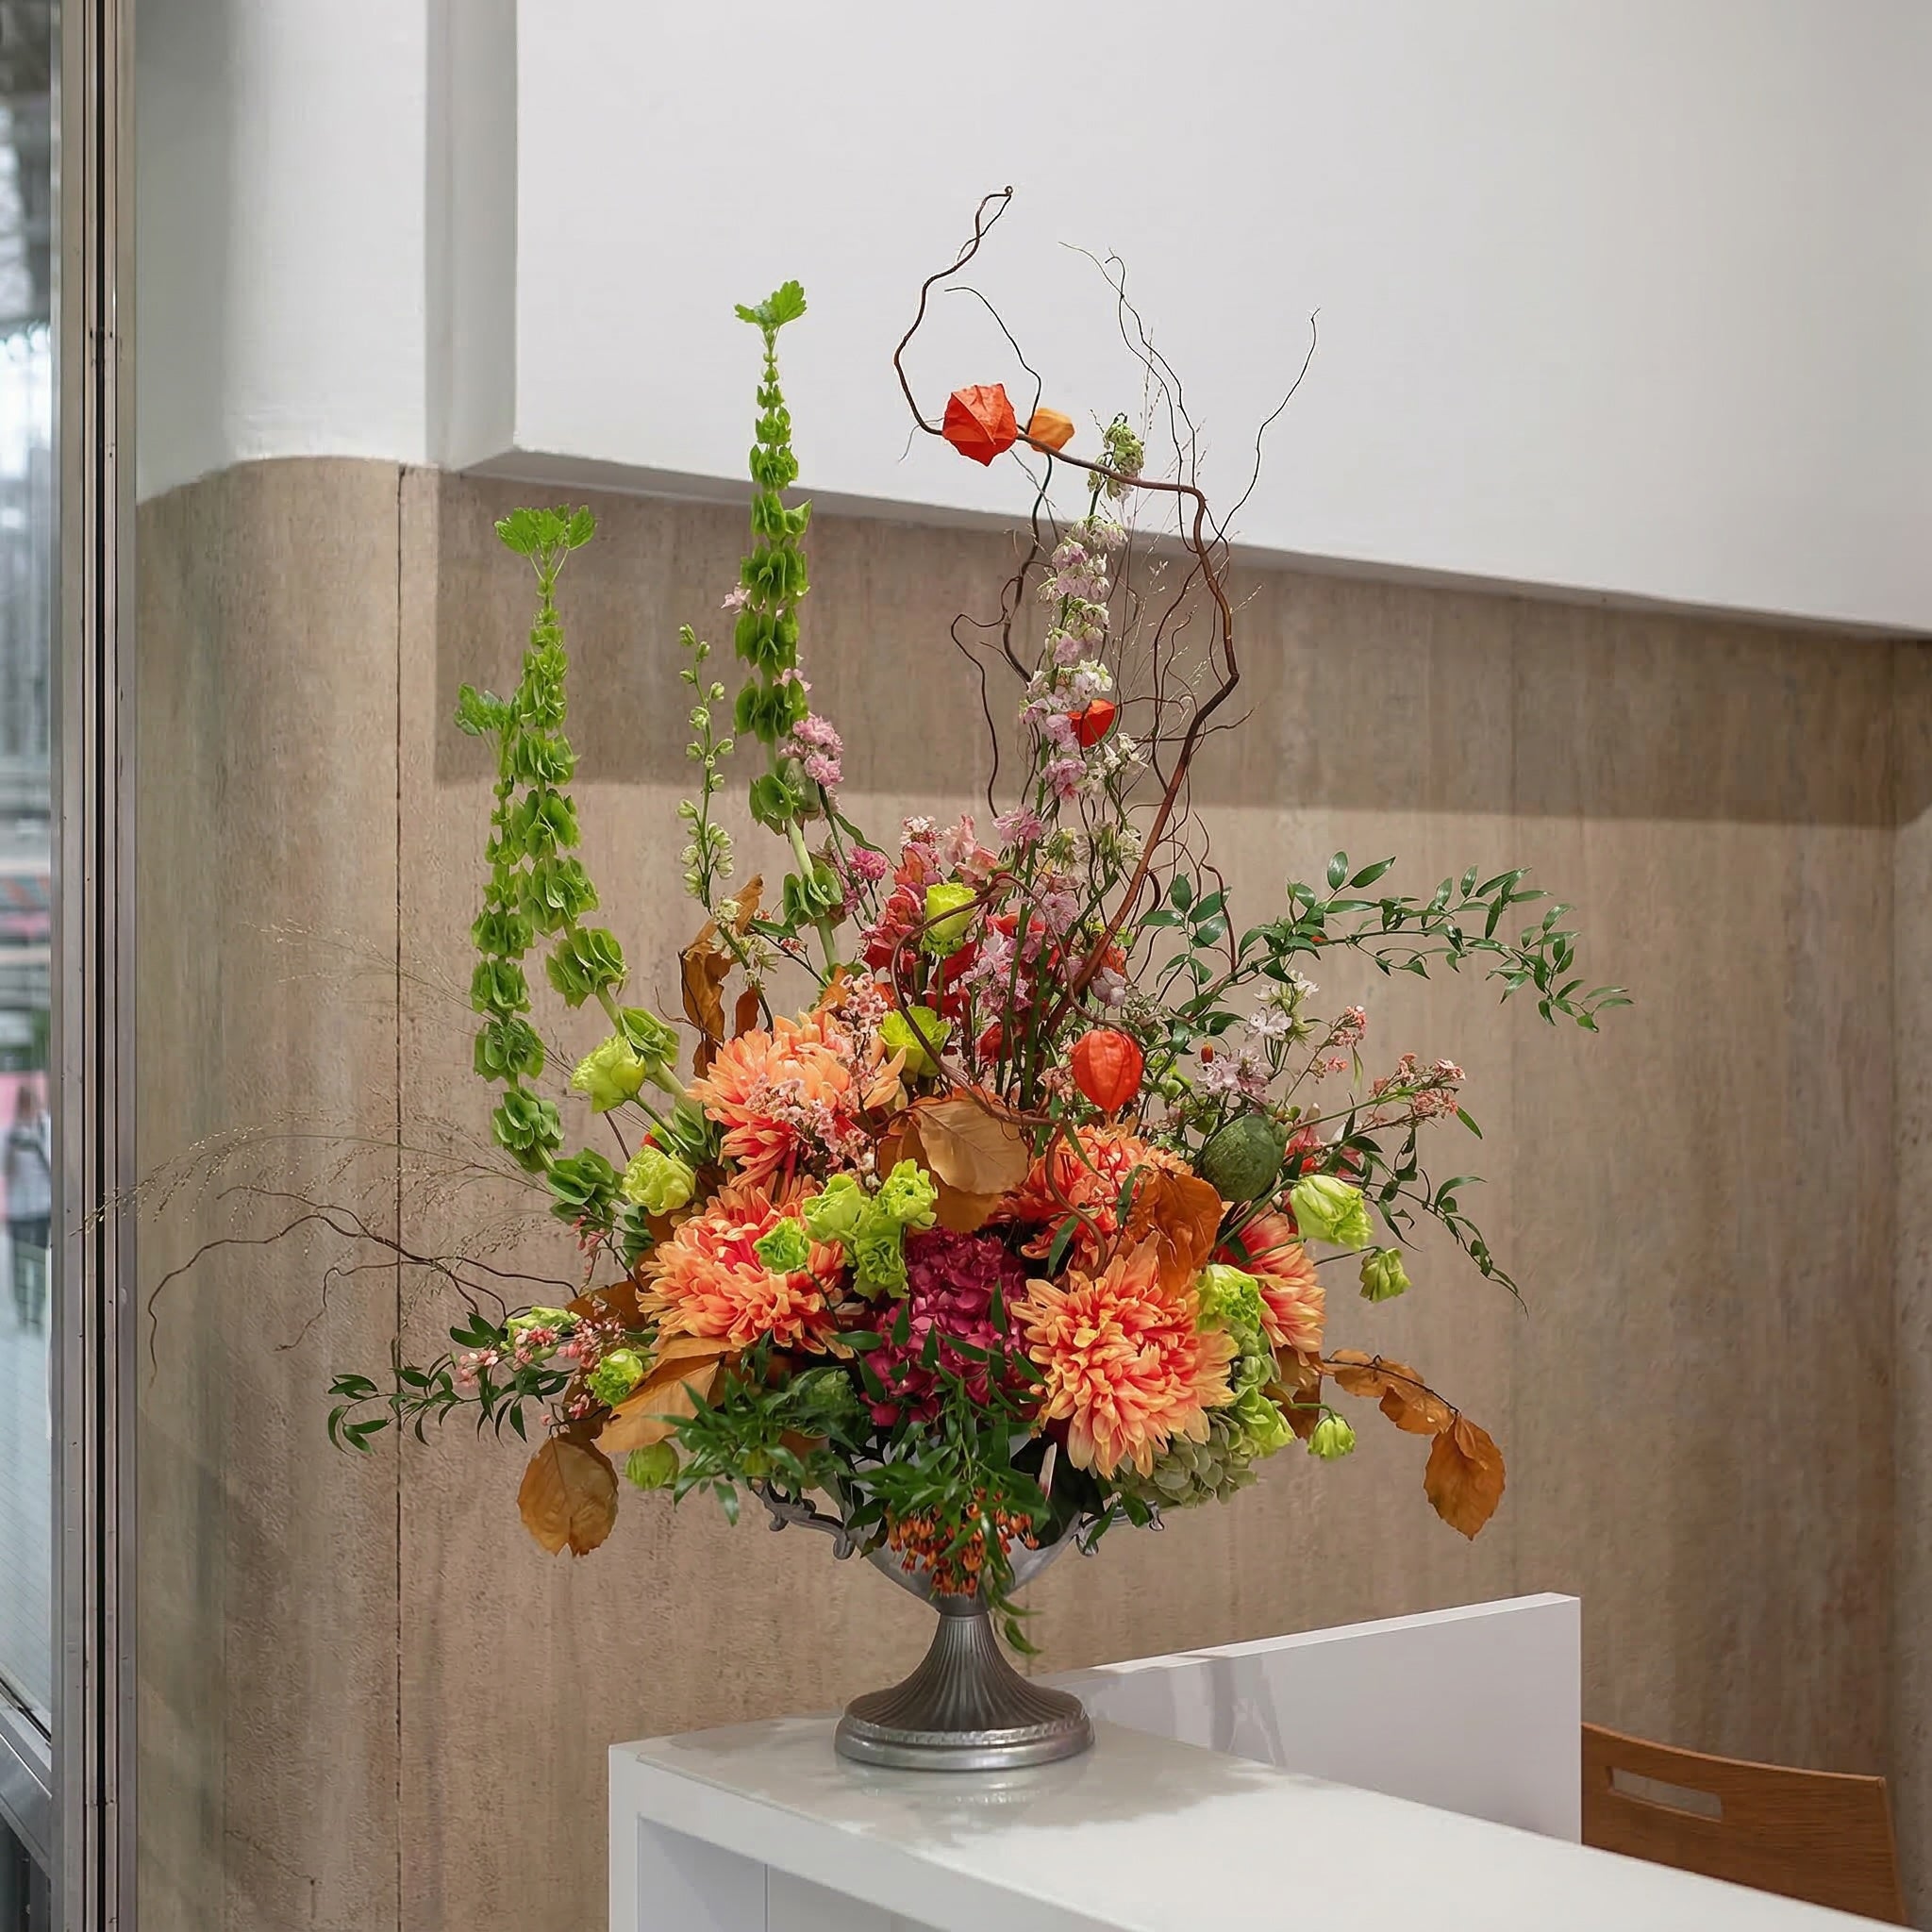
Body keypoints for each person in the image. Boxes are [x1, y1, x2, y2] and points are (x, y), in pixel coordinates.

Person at [4, 1082, 51, 1332]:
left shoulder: (46, 1129)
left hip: (42, 1207)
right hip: (19, 1208)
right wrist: (14, 1144)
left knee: (40, 1262)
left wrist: (37, 1143)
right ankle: (23, 1312)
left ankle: (37, 1313)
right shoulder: (9, 1133)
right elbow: (5, 1168)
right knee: (20, 1263)